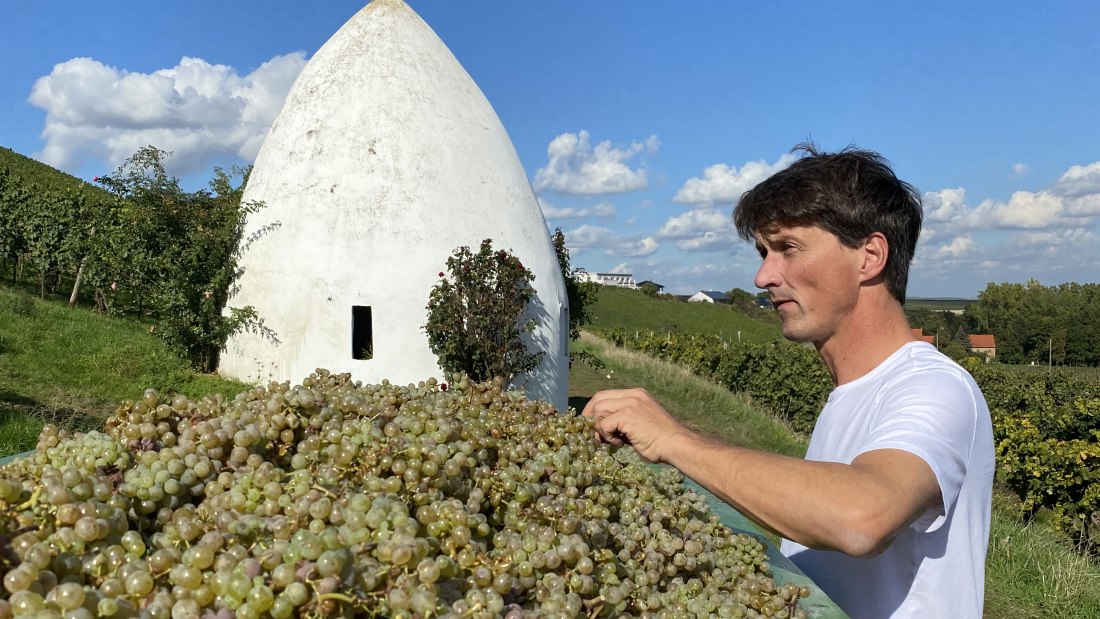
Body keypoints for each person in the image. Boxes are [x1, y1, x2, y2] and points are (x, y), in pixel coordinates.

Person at [582, 144, 994, 618]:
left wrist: (676, 441)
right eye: (763, 251)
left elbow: (862, 516)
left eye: (787, 248)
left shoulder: (936, 388)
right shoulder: (850, 395)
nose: (762, 276)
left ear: (870, 256)